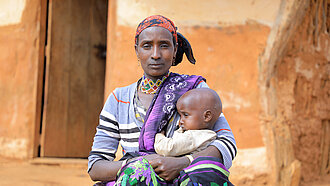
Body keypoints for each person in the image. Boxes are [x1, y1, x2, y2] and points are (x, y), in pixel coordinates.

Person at [88, 15, 237, 185]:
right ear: (137, 51)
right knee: (139, 176)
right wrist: (140, 165)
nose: (156, 54)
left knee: (208, 174)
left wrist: (182, 162)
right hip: (136, 181)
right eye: (147, 46)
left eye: (164, 46)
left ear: (174, 51)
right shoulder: (119, 99)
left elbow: (227, 144)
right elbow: (96, 166)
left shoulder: (196, 91)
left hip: (184, 178)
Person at [154, 88, 222, 157]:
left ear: (206, 116)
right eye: (180, 116)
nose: (180, 121)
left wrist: (159, 136)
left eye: (185, 115)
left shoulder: (195, 137)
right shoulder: (202, 135)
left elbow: (167, 149)